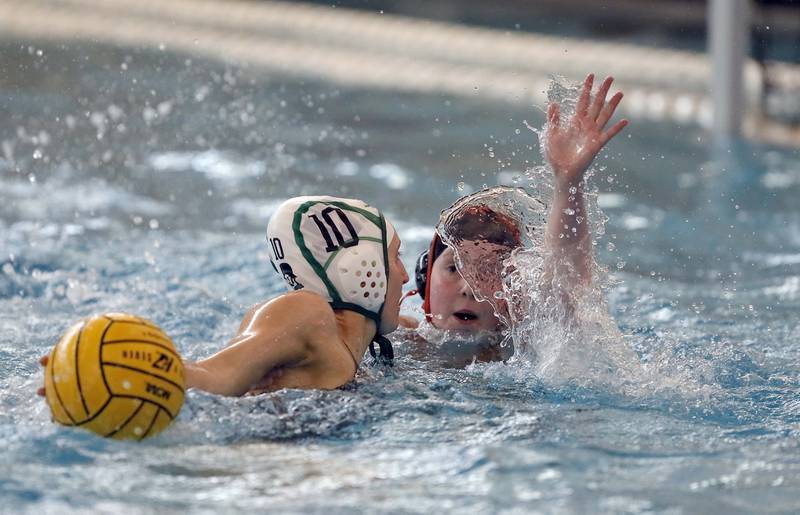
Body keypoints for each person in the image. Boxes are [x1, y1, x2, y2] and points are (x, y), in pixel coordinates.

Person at [39, 196, 409, 397]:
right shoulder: (306, 313)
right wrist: (103, 369)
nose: (406, 274)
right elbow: (216, 374)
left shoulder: (364, 348)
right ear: (358, 264)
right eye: (395, 257)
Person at [398, 74, 627, 365]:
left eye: (488, 271)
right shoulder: (395, 338)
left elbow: (565, 281)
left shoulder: (522, 354)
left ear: (512, 293)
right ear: (424, 279)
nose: (469, 287)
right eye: (455, 268)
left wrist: (568, 183)